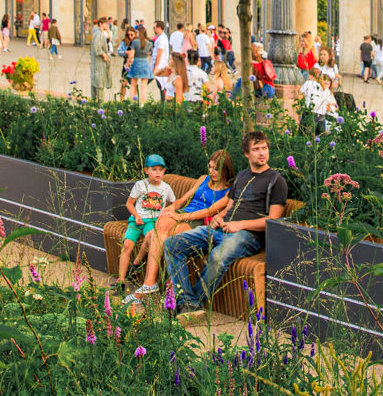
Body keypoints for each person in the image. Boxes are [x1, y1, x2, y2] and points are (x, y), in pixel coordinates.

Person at [164, 131, 288, 319]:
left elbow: (273, 220)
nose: (262, 153)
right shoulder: (242, 176)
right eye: (256, 149)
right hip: (223, 229)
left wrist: (239, 225)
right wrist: (220, 218)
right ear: (247, 153)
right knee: (172, 245)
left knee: (217, 257)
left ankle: (191, 305)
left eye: (264, 148)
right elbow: (230, 207)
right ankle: (186, 301)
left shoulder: (276, 181)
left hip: (247, 236)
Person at [123, 150, 235, 306]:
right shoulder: (204, 179)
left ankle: (152, 285)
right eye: (210, 167)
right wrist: (172, 208)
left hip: (198, 221)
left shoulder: (229, 190)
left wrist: (180, 217)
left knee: (155, 236)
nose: (212, 172)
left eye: (216, 169)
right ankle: (151, 285)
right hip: (184, 212)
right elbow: (184, 199)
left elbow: (210, 211)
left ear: (226, 170)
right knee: (161, 225)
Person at [114, 154, 177, 291]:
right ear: (146, 170)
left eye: (161, 169)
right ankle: (121, 280)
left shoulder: (166, 188)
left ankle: (136, 264)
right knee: (127, 245)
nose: (158, 172)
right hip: (137, 220)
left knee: (150, 237)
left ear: (164, 171)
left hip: (153, 222)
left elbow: (174, 203)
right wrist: (136, 215)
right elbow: (129, 203)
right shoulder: (140, 185)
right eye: (154, 169)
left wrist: (168, 213)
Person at [126, 24, 154, 103]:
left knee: (133, 83)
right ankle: (143, 103)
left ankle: (132, 101)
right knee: (144, 85)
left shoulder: (135, 42)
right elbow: (150, 53)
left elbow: (132, 54)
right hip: (144, 62)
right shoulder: (149, 43)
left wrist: (127, 64)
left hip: (136, 62)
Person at [91, 17, 112, 101]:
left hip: (97, 63)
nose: (107, 25)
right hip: (99, 63)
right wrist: (104, 56)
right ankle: (100, 103)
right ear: (101, 24)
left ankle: (96, 101)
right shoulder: (99, 34)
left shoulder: (99, 33)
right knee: (99, 83)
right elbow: (97, 48)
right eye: (105, 24)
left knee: (97, 81)